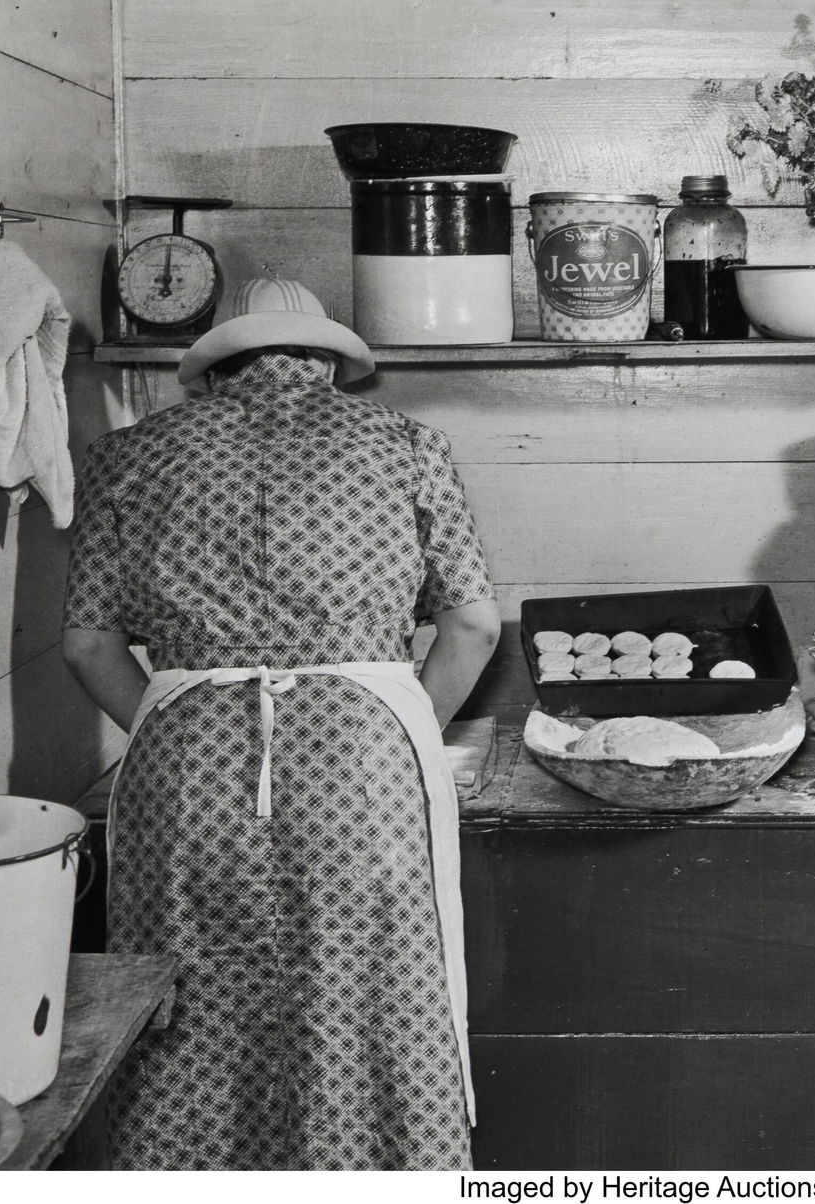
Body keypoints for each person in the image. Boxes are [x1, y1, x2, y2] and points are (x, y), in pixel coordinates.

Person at [62, 277, 501, 1170]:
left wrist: (173, 721)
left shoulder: (128, 455)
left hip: (187, 768)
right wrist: (395, 725)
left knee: (185, 997)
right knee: (369, 991)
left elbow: (85, 644)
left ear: (221, 367)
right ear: (329, 363)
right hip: (363, 762)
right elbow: (474, 628)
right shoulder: (407, 444)